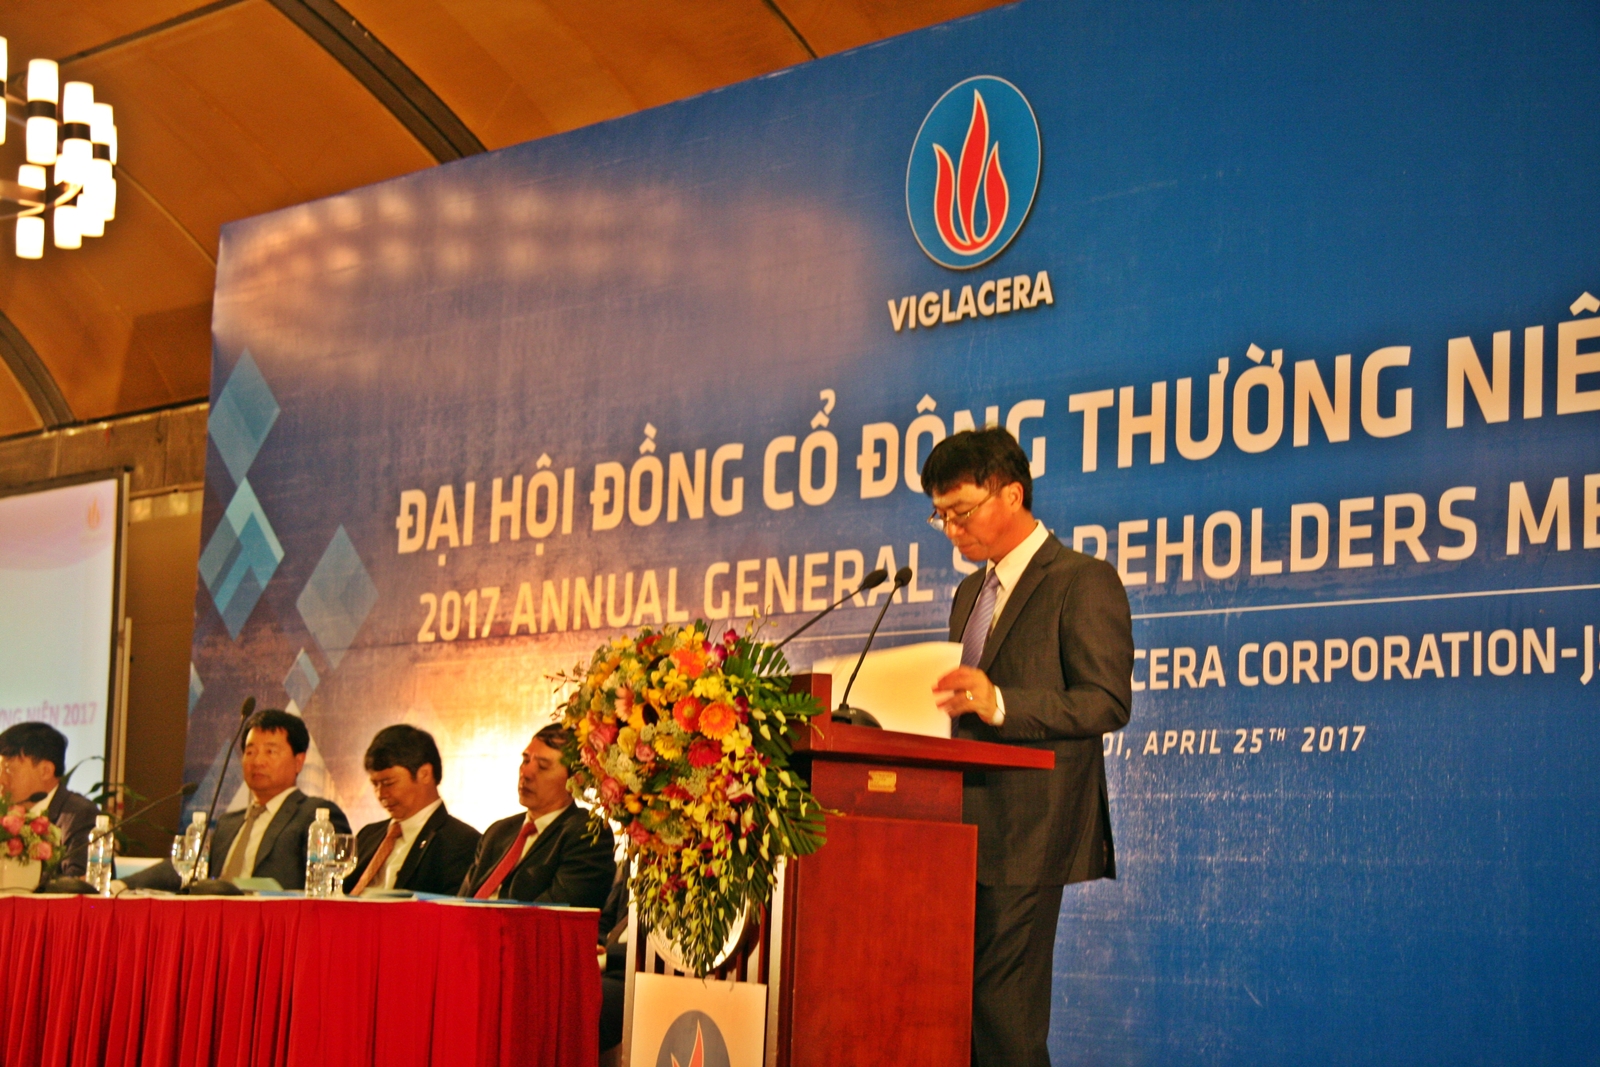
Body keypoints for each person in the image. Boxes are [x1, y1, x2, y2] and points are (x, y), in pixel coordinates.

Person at [921, 427, 1133, 1067]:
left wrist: (1001, 703)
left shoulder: (1082, 580)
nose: (952, 530)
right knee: (956, 1011)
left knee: (1003, 1017)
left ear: (1011, 495)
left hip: (1030, 829)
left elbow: (1105, 701)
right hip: (958, 830)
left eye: (962, 512)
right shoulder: (970, 593)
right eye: (941, 516)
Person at [119, 708, 351, 891]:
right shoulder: (228, 823)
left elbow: (328, 887)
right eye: (250, 752)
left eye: (270, 751)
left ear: (299, 761)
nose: (257, 761)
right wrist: (121, 885)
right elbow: (185, 867)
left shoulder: (315, 815)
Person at [458, 723, 614, 907]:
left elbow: (555, 914)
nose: (526, 773)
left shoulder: (586, 833)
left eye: (542, 766)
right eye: (525, 761)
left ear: (576, 780)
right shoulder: (498, 831)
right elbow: (460, 903)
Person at [344, 724, 480, 896]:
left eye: (389, 783)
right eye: (375, 784)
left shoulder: (462, 842)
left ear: (425, 774)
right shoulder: (368, 835)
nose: (381, 794)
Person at [0, 722, 100, 879]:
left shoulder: (79, 815)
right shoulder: (5, 815)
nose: (1, 779)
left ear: (45, 771)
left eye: (8, 769)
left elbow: (78, 883)